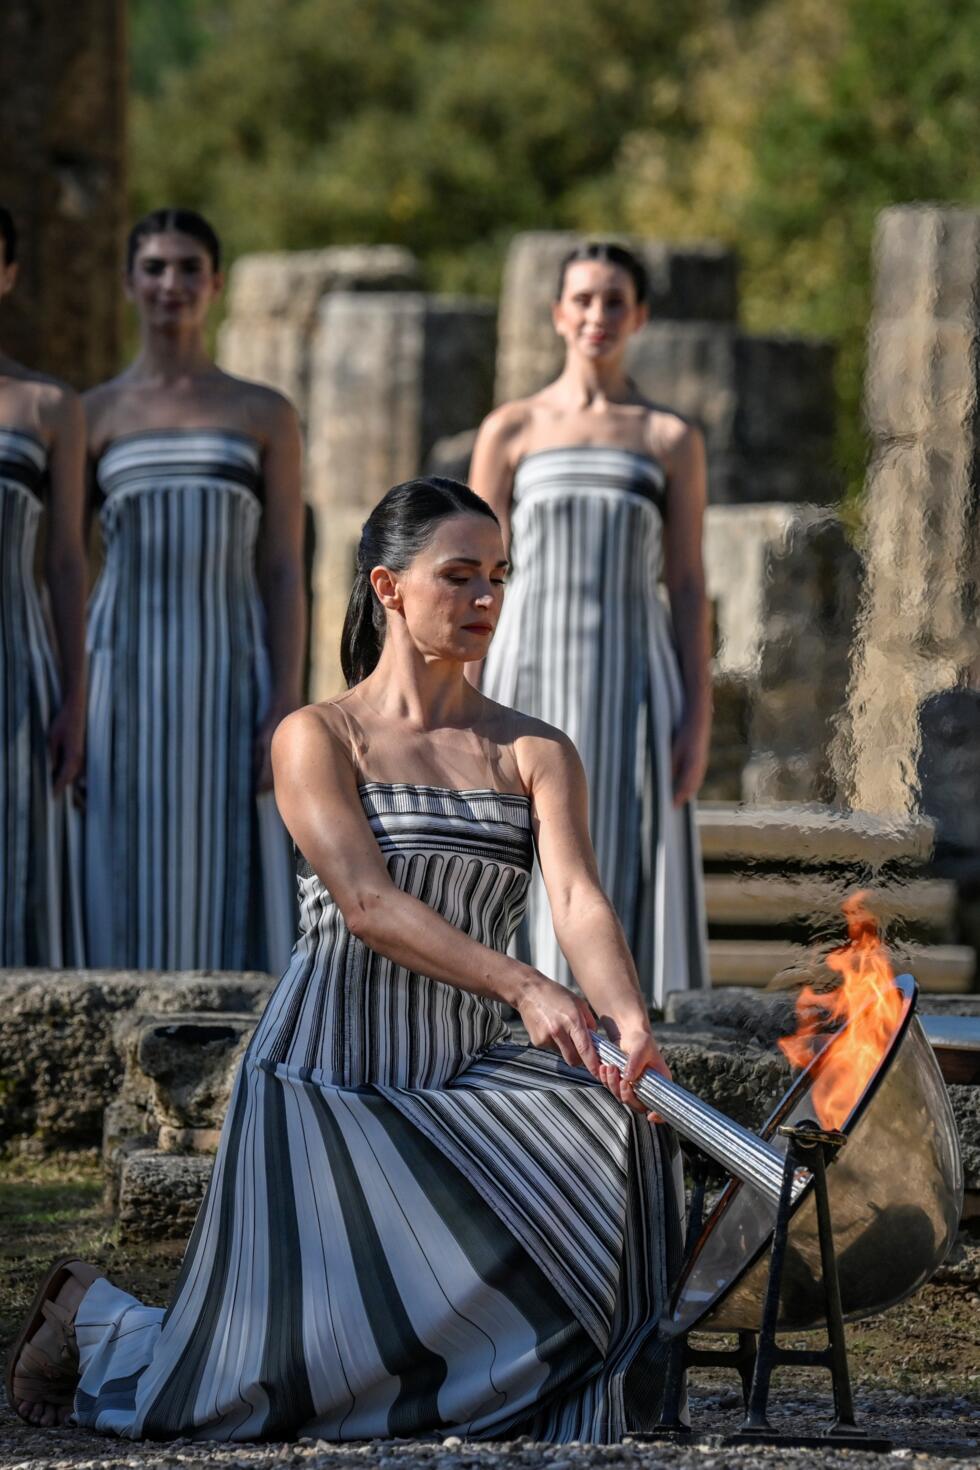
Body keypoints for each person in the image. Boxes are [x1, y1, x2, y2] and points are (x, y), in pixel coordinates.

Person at [7, 478, 684, 1443]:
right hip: (329, 1077)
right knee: (241, 1404)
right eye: (459, 576)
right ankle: (92, 1311)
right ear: (389, 587)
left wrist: (627, 1022)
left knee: (620, 1127)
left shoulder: (536, 750)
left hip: (457, 1069)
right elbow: (368, 906)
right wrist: (524, 982)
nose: (486, 597)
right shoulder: (317, 736)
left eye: (498, 576)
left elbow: (576, 899)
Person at [470, 240, 710, 1006]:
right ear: (557, 314)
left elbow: (688, 580)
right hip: (525, 669)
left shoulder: (669, 439)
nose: (597, 315)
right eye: (582, 299)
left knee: (623, 853)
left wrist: (696, 719)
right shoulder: (510, 430)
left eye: (613, 300)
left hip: (634, 682)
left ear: (637, 316)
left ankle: (633, 1041)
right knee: (526, 846)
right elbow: (471, 573)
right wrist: (460, 699)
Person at [82, 208, 304, 972]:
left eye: (186, 269)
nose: (169, 284)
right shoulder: (94, 414)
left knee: (229, 858)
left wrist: (286, 702)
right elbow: (65, 566)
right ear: (128, 282)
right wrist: (72, 703)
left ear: (214, 285)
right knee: (116, 850)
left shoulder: (263, 412)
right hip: (120, 671)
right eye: (153, 268)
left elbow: (282, 565)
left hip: (228, 670)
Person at [0, 204, 86, 966]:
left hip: (17, 666)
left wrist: (76, 697)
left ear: (8, 274)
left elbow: (65, 559)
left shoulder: (49, 406)